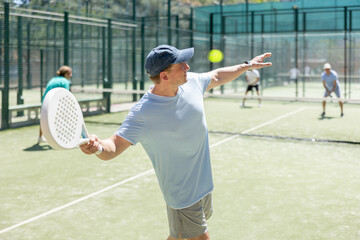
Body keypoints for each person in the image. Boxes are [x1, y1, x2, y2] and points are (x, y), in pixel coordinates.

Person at [80, 45, 272, 240]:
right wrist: (98, 147)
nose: (187, 67)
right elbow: (113, 146)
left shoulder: (192, 82)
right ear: (164, 76)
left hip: (204, 185)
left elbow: (217, 76)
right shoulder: (143, 113)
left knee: (179, 236)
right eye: (181, 65)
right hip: (182, 195)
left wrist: (248, 65)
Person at [38, 65, 72, 143]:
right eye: (70, 73)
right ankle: (58, 139)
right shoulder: (65, 81)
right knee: (58, 120)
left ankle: (40, 137)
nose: (71, 75)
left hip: (45, 101)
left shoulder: (53, 79)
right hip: (54, 102)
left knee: (44, 120)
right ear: (66, 74)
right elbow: (65, 94)